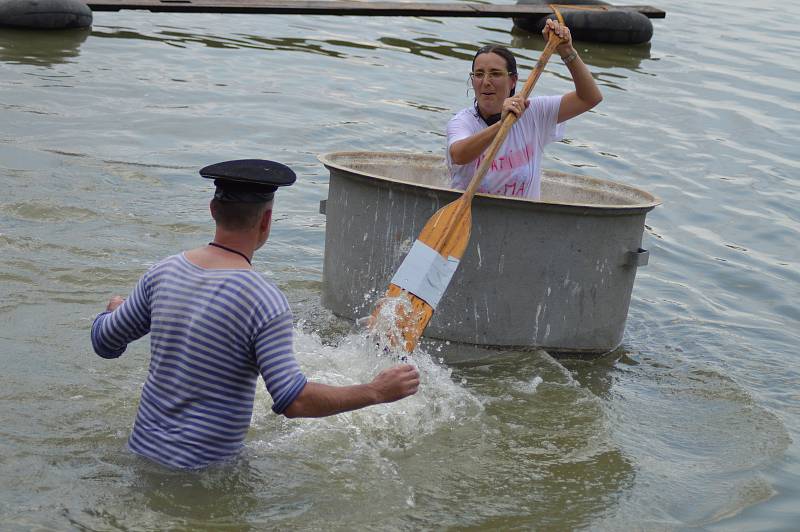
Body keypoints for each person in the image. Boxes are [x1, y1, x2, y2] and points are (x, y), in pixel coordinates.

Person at [90, 159, 420, 469]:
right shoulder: (263, 300)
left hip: (141, 456)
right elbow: (295, 401)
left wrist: (114, 311)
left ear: (213, 210)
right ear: (265, 222)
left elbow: (105, 342)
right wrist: (376, 391)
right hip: (204, 473)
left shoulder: (164, 272)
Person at [447, 19, 603, 199]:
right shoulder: (463, 121)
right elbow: (459, 155)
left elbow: (590, 98)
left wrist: (567, 51)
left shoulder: (534, 112)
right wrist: (501, 125)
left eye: (495, 74)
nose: (486, 82)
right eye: (479, 74)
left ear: (513, 81)